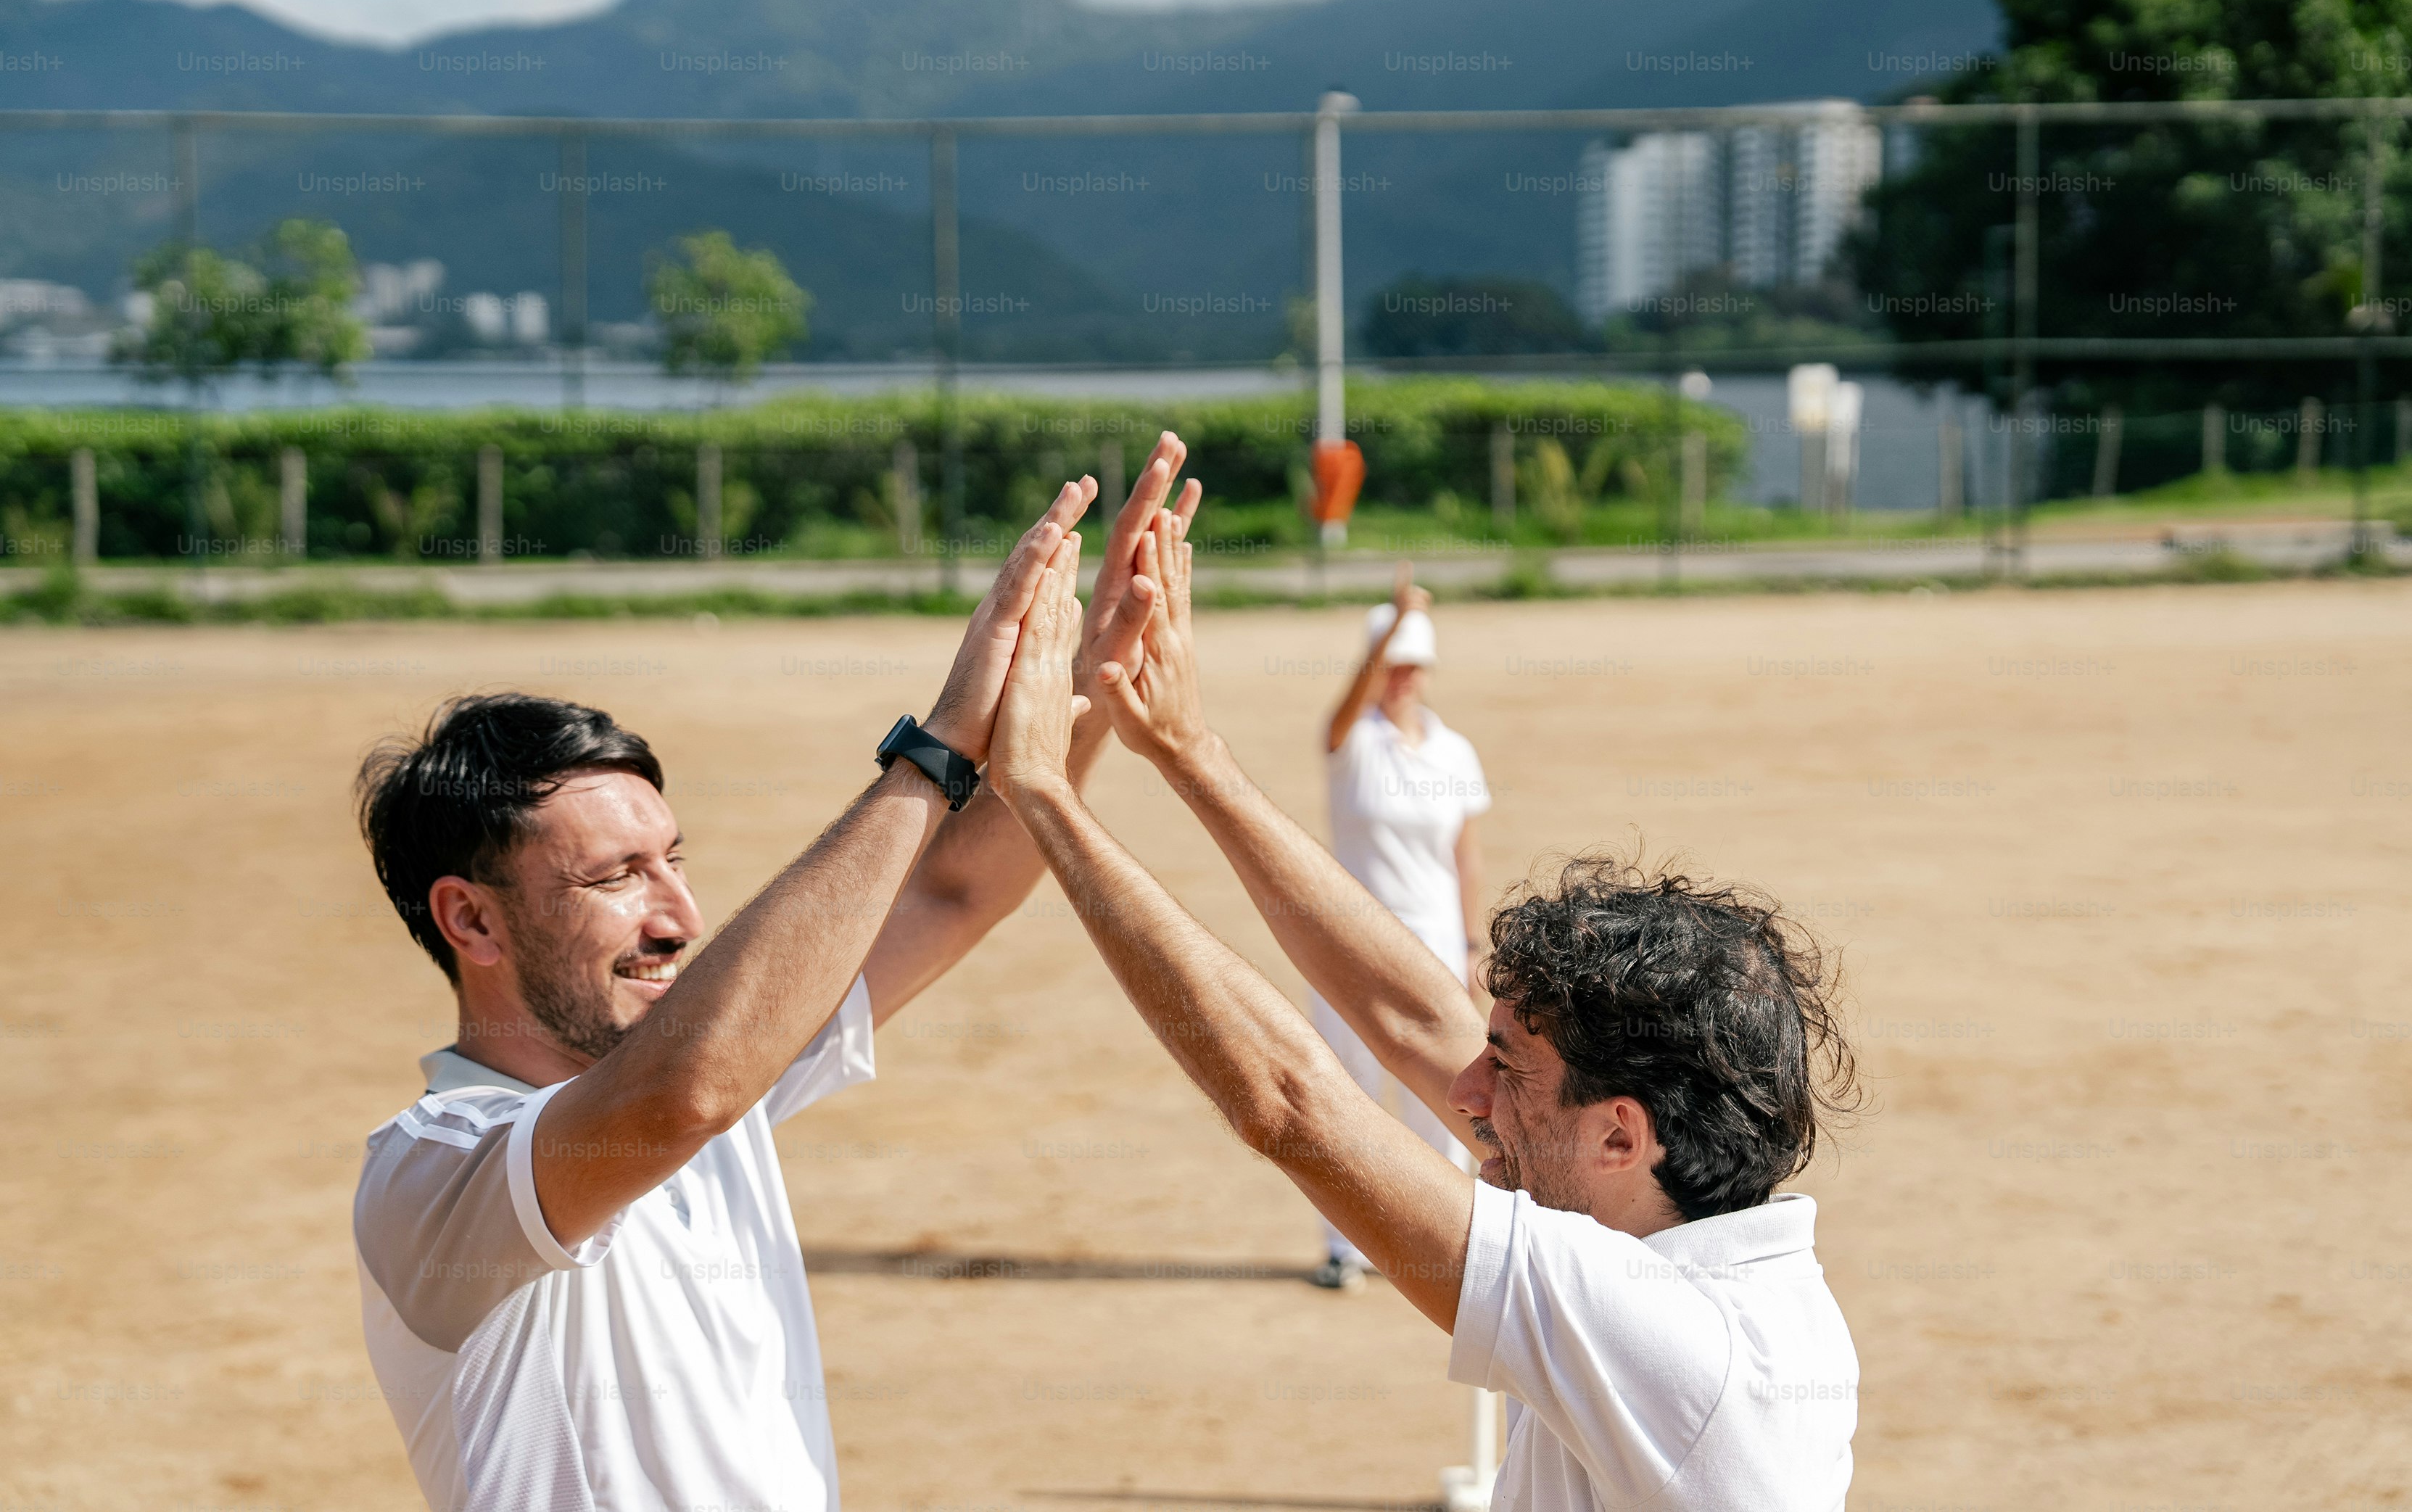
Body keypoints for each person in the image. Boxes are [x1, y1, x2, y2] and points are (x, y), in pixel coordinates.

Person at [346, 442, 1200, 1512]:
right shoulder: (435, 1171)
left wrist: (1090, 690)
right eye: (615, 878)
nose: (679, 917)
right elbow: (677, 1096)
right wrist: (933, 748)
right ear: (469, 917)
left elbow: (949, 895)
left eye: (674, 860)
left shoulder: (709, 1064)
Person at [980, 504, 1861, 1512]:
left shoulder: (1658, 1334)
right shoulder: (1689, 1237)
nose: (1464, 1088)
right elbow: (1408, 1016)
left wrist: (1043, 794)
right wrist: (1188, 753)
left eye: (1506, 1069)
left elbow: (1288, 1103)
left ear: (1621, 1134)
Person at [1311, 562, 1490, 1290]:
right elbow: (1336, 719)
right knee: (1344, 1095)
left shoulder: (1453, 751)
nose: (1402, 677)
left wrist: (1475, 946)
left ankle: (1439, 1246)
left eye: (1413, 665)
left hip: (1435, 945)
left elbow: (1465, 855)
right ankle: (1340, 1247)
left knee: (1444, 1097)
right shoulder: (1352, 743)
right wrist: (1384, 628)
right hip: (1349, 946)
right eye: (1392, 664)